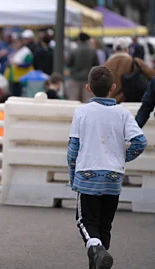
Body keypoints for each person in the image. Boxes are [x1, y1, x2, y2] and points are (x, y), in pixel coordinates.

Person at [67, 66, 147, 269]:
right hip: (113, 176)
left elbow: (73, 149)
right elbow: (140, 142)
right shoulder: (123, 113)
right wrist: (121, 158)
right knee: (104, 226)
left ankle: (97, 251)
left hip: (87, 175)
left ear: (88, 88)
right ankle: (98, 260)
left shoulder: (81, 112)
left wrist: (72, 176)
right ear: (113, 88)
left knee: (85, 222)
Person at [104, 38, 155, 103]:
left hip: (111, 101)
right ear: (127, 49)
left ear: (114, 50)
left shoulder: (106, 65)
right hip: (130, 100)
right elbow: (152, 74)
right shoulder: (135, 62)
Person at [67, 33, 99, 103]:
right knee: (87, 101)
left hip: (75, 78)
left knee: (73, 101)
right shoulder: (92, 51)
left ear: (79, 40)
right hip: (87, 79)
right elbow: (96, 65)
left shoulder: (74, 51)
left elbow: (68, 64)